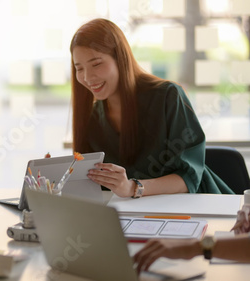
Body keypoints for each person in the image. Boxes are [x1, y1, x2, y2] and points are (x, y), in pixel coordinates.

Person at [69, 18, 233, 197]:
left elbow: (188, 177)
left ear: (120, 59)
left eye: (96, 64)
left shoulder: (168, 97)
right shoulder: (92, 118)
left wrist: (133, 187)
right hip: (136, 214)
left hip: (195, 206)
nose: (88, 77)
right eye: (79, 69)